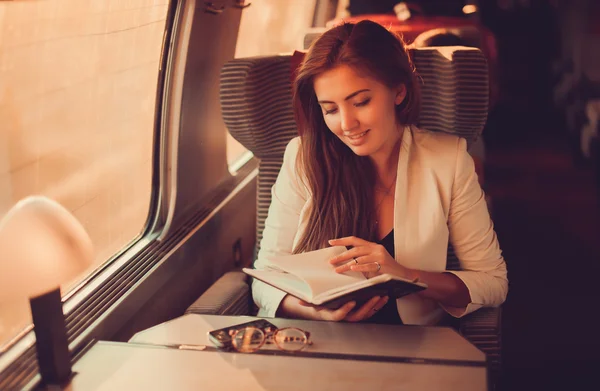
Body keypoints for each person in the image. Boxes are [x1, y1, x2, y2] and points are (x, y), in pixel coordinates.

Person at [252, 20, 508, 326]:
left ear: (398, 92)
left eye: (361, 102)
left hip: (409, 348)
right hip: (316, 342)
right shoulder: (303, 157)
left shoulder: (448, 160)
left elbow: (493, 283)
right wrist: (313, 310)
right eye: (330, 109)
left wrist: (406, 276)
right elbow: (265, 276)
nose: (347, 124)